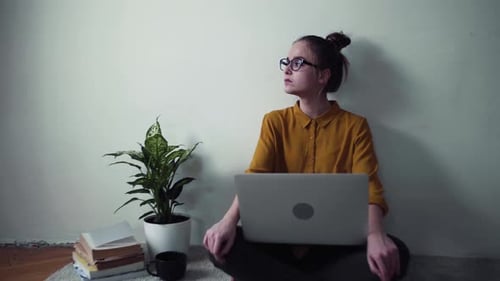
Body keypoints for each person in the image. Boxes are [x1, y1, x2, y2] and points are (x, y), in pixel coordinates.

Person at [203, 32, 410, 281]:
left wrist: (377, 236)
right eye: (286, 62)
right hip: (279, 241)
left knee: (396, 253)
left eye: (298, 63)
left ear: (323, 76)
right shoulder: (275, 122)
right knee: (219, 245)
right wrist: (227, 221)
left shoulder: (355, 126)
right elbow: (256, 176)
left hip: (336, 246)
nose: (287, 69)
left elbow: (370, 187)